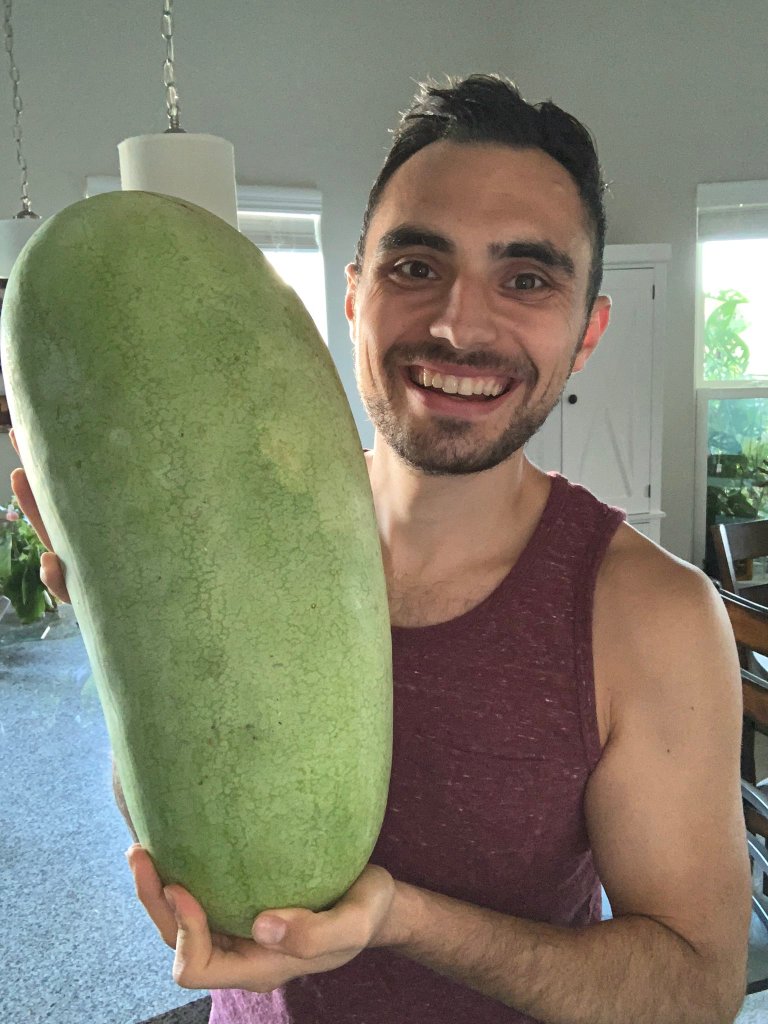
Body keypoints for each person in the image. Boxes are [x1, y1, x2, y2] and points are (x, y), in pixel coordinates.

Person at [11, 74, 751, 1024]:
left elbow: (696, 988)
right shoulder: (222, 531)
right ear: (354, 296)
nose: (458, 324)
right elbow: (199, 836)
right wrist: (132, 633)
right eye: (414, 266)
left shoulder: (651, 617)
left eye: (527, 279)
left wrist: (401, 919)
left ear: (587, 332)